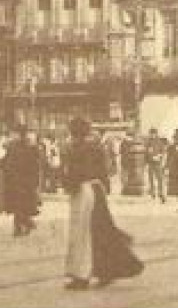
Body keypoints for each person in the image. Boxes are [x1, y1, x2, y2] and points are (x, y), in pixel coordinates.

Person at [62, 118, 144, 290]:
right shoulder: (96, 147)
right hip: (96, 189)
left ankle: (82, 276)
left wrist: (68, 185)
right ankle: (105, 271)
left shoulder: (74, 149)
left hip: (82, 191)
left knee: (82, 234)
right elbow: (103, 170)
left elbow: (73, 173)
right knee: (101, 231)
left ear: (73, 132)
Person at [3, 128, 43, 238]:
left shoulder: (27, 148)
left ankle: (22, 226)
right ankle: (23, 225)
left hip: (22, 181)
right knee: (19, 206)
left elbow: (35, 165)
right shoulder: (18, 147)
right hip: (19, 181)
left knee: (20, 206)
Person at [144, 129, 167, 202]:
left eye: (154, 134)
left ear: (156, 134)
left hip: (157, 163)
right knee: (151, 179)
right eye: (151, 134)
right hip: (150, 163)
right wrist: (146, 163)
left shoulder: (159, 142)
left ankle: (161, 193)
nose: (152, 135)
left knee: (160, 179)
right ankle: (152, 193)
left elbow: (163, 151)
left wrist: (159, 156)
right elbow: (146, 153)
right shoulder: (148, 142)